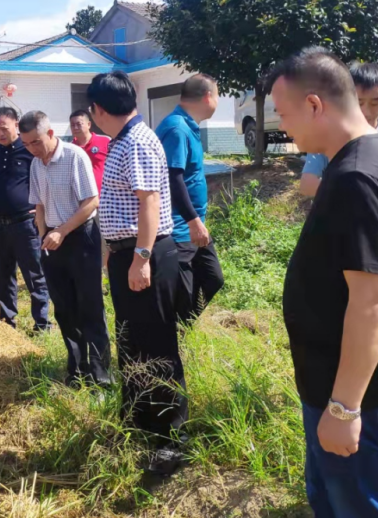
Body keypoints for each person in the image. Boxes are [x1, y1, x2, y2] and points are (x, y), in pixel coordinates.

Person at [267, 48, 378, 518]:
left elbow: (373, 302)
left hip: (360, 398)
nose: (283, 128)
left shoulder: (359, 176)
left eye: (285, 114)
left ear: (315, 105)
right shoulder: (357, 160)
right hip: (336, 388)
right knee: (337, 512)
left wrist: (344, 407)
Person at [88, 71, 185, 477]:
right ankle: (140, 420)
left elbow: (149, 204)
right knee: (133, 342)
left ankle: (171, 440)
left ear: (97, 109)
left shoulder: (139, 142)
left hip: (146, 254)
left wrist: (141, 258)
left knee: (157, 345)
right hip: (129, 254)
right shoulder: (124, 141)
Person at [20, 110, 111, 387]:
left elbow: (91, 203)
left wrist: (62, 231)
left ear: (50, 133)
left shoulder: (74, 156)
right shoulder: (36, 165)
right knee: (65, 310)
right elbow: (40, 204)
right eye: (25, 144)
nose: (31, 149)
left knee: (90, 308)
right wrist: (43, 233)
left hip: (81, 239)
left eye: (35, 142)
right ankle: (76, 371)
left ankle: (101, 379)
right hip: (52, 242)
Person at [154, 73, 225, 322]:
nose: (218, 102)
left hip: (193, 225)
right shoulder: (176, 128)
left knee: (212, 278)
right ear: (207, 97)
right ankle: (175, 344)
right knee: (182, 295)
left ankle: (183, 331)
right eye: (217, 96)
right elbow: (174, 180)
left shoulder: (186, 126)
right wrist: (193, 221)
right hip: (179, 228)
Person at [300, 62, 378, 199]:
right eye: (359, 102)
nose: (366, 112)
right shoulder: (327, 139)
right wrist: (355, 195)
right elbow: (307, 184)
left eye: (375, 102)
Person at [0, 107, 52, 332]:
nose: (0, 133)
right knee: (3, 275)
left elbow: (45, 179)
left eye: (4, 128)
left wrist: (41, 211)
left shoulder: (29, 149)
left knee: (34, 274)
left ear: (15, 123)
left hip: (25, 223)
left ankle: (42, 323)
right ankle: (7, 321)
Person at [69, 109, 110, 195]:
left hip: (105, 196)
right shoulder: (69, 149)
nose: (75, 128)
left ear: (89, 124)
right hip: (82, 198)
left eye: (79, 124)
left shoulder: (105, 141)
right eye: (72, 125)